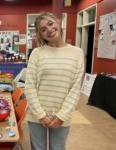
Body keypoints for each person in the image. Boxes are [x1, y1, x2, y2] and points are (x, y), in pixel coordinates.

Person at [25, 12, 84, 150]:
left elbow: (75, 88)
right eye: (43, 29)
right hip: (36, 115)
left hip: (62, 116)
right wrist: (41, 115)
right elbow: (30, 86)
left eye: (50, 24)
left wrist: (62, 115)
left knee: (57, 148)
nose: (49, 30)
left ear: (58, 22)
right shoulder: (37, 53)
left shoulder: (77, 53)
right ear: (40, 34)